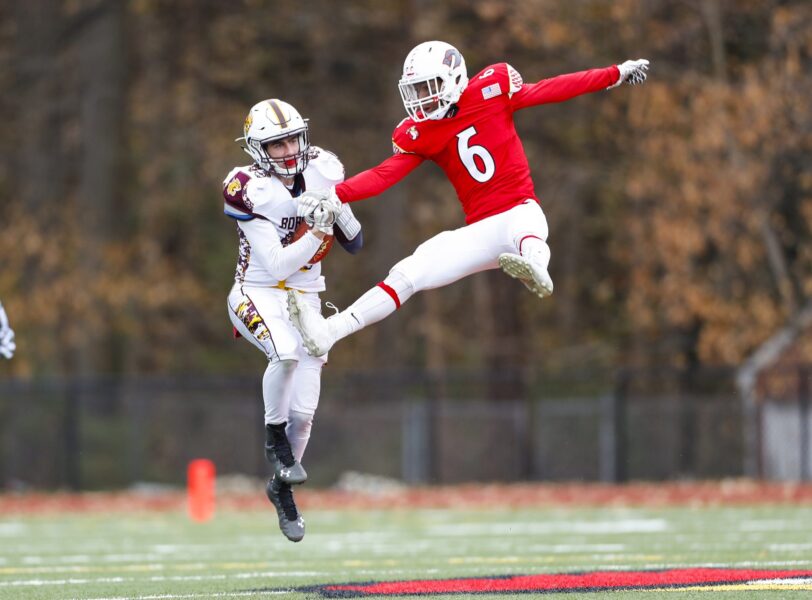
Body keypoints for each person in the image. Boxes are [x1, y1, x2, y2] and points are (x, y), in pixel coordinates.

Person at [287, 41, 649, 357]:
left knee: (528, 227)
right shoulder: (421, 132)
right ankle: (330, 331)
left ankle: (536, 269)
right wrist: (335, 193)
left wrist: (613, 74)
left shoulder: (491, 89)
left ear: (455, 78)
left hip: (517, 210)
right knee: (410, 270)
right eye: (415, 89)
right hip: (480, 232)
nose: (422, 98)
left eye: (429, 86)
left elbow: (553, 88)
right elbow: (384, 175)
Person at [223, 98, 362, 542]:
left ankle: (281, 489)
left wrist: (336, 212)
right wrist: (316, 225)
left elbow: (356, 241)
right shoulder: (249, 187)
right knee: (283, 352)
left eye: (293, 140)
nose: (288, 151)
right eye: (276, 144)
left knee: (303, 414)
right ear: (257, 149)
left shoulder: (324, 169)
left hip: (306, 297)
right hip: (257, 291)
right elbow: (280, 264)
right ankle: (274, 439)